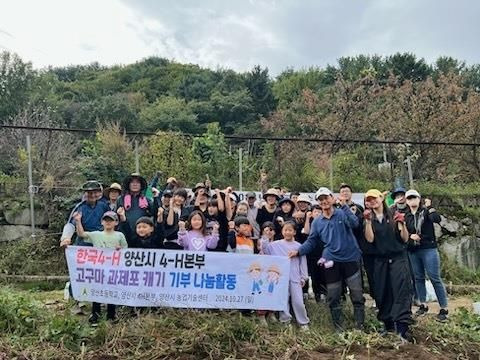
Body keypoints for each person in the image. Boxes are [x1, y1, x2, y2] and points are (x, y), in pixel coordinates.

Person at [289, 187, 365, 331]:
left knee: (357, 295)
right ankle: (338, 329)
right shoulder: (317, 222)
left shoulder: (343, 213)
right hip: (331, 262)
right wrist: (298, 252)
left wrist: (344, 205)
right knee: (333, 297)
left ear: (332, 198)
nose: (324, 201)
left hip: (351, 259)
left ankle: (359, 327)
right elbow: (311, 241)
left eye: (326, 198)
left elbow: (355, 224)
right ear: (318, 202)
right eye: (321, 199)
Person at [60, 211, 128, 324]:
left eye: (111, 220)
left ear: (116, 222)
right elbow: (81, 234)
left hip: (113, 269)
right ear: (102, 222)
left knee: (111, 291)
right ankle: (95, 314)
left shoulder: (120, 235)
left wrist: (119, 249)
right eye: (106, 220)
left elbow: (125, 250)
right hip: (98, 269)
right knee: (97, 291)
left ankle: (111, 315)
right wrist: (78, 221)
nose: (108, 222)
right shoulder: (96, 234)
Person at [363, 189, 413, 341]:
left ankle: (402, 328)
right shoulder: (368, 218)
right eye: (369, 200)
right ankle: (388, 325)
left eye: (375, 199)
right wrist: (367, 222)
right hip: (380, 260)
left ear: (381, 198)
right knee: (382, 292)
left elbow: (404, 239)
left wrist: (402, 224)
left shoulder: (393, 214)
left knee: (401, 291)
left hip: (398, 258)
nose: (372, 202)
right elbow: (370, 239)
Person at [405, 190, 448, 321]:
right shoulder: (406, 216)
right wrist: (410, 237)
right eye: (409, 198)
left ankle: (443, 308)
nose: (412, 200)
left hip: (428, 248)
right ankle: (423, 304)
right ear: (406, 201)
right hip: (413, 249)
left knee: (434, 277)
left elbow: (437, 219)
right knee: (418, 277)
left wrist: (430, 207)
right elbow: (403, 232)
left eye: (414, 198)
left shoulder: (425, 212)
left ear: (419, 199)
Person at [262, 221, 310, 330]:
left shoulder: (299, 246)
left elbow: (303, 262)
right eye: (285, 230)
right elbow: (265, 250)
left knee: (298, 301)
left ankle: (303, 322)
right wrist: (266, 236)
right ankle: (285, 320)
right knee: (283, 300)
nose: (287, 232)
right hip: (280, 278)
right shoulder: (275, 245)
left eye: (290, 230)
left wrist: (304, 277)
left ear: (294, 232)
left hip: (295, 277)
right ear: (282, 231)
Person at [60, 181, 110, 247]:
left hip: (101, 242)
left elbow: (112, 221)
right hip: (83, 242)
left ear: (100, 193)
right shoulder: (80, 207)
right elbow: (71, 224)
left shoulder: (104, 206)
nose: (92, 195)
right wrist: (65, 238)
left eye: (95, 192)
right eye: (89, 193)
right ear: (84, 194)